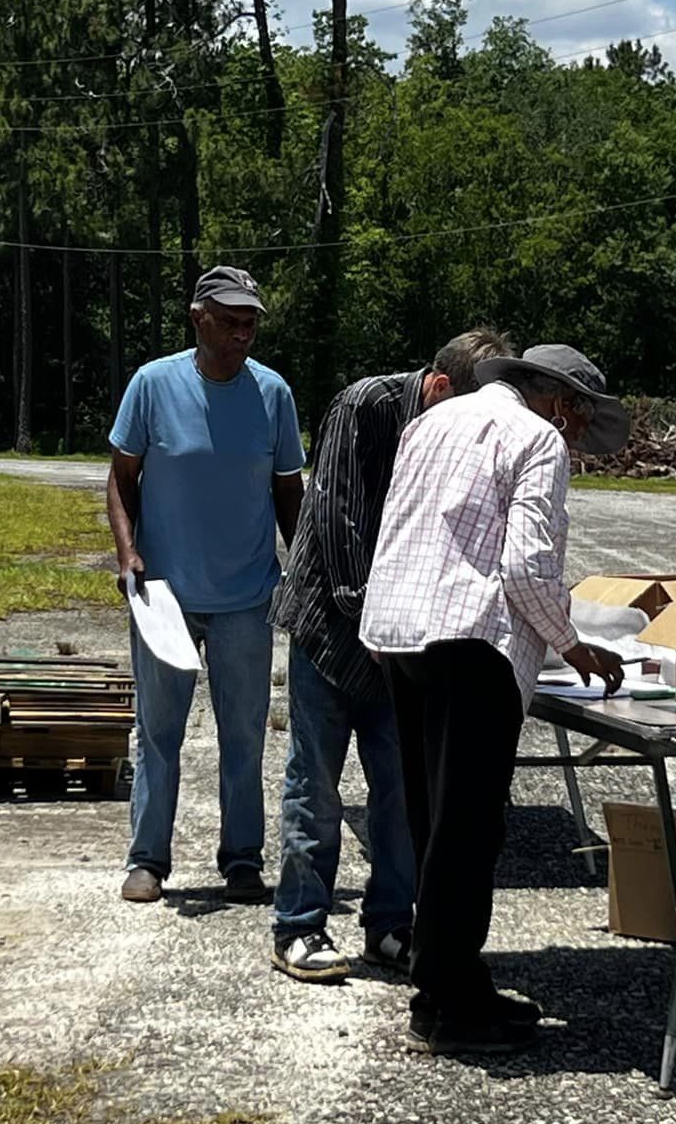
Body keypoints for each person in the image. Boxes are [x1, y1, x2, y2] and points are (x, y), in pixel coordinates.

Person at [361, 344, 631, 1055]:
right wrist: (571, 643)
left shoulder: (434, 420)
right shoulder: (537, 439)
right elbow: (526, 565)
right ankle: (446, 1005)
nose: (576, 435)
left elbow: (401, 525)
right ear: (560, 403)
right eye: (578, 417)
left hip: (401, 632)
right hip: (470, 640)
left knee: (432, 820)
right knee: (469, 830)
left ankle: (452, 979)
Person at [268, 328, 516, 985]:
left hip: (403, 643)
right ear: (440, 386)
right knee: (315, 786)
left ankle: (390, 926)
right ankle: (299, 925)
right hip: (331, 631)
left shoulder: (455, 427)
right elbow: (340, 526)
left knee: (403, 796)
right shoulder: (363, 407)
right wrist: (373, 624)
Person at [107, 266, 305, 906]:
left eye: (250, 323)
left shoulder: (272, 395)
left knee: (243, 734)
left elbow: (288, 493)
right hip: (166, 598)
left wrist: (303, 568)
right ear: (198, 317)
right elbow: (120, 478)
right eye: (230, 321)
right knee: (158, 733)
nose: (242, 333)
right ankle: (147, 859)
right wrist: (129, 552)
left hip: (247, 597)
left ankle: (242, 860)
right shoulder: (153, 384)